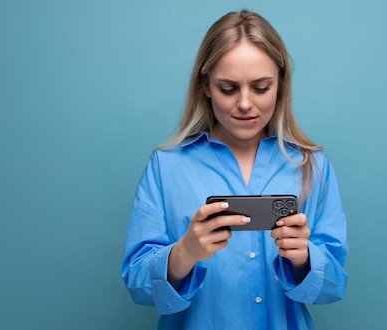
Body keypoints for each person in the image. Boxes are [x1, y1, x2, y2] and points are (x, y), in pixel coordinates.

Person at [121, 9, 348, 329]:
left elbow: (333, 286)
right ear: (206, 86)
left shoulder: (311, 166)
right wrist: (184, 253)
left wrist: (303, 259)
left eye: (261, 87)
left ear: (281, 84)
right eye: (228, 88)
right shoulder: (166, 167)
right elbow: (138, 285)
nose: (244, 103)